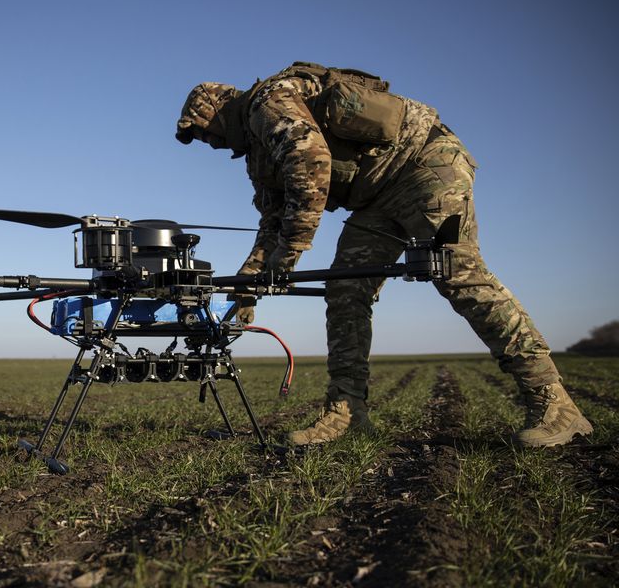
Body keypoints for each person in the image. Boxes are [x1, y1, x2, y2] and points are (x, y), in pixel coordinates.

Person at [175, 61, 592, 447]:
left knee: (458, 275)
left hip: (425, 166)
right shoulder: (257, 152)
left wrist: (291, 255)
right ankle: (347, 411)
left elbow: (311, 162)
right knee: (345, 291)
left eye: (202, 131)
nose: (207, 144)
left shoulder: (268, 102)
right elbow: (272, 224)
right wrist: (248, 287)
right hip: (374, 198)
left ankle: (555, 404)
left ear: (217, 110)